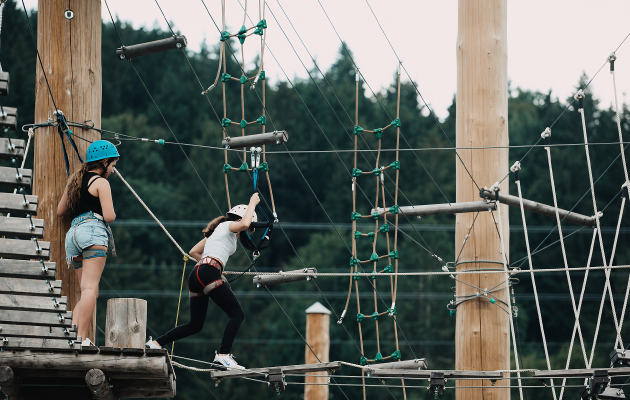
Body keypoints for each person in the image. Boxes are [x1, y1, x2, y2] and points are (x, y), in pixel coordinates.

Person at [146, 193, 260, 370]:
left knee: (195, 325)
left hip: (198, 275)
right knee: (237, 314)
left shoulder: (218, 232)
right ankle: (223, 355)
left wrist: (215, 267)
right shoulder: (227, 226)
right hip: (206, 273)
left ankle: (157, 344)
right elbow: (244, 223)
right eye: (249, 228)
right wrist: (252, 202)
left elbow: (194, 252)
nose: (247, 231)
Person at [57, 140, 119, 346]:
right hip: (92, 232)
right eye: (113, 164)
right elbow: (109, 216)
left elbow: (60, 211)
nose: (113, 169)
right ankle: (82, 339)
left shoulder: (74, 181)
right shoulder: (101, 183)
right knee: (90, 289)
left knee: (87, 290)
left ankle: (73, 337)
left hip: (73, 235)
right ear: (103, 161)